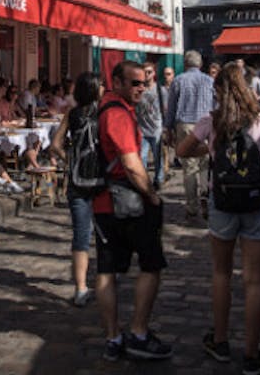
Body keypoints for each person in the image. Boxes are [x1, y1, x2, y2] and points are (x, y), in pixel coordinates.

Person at [176, 62, 260, 375]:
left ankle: (219, 341)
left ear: (219, 92)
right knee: (254, 280)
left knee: (221, 273)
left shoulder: (212, 121)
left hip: (223, 202)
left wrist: (212, 153)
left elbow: (182, 150)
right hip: (254, 203)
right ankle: (252, 353)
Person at [94, 60, 171, 361]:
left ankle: (113, 338)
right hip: (125, 202)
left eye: (144, 82)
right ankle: (137, 333)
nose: (142, 87)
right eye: (135, 83)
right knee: (151, 264)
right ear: (117, 82)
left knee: (107, 271)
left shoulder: (102, 107)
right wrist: (151, 195)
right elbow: (130, 162)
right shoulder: (117, 114)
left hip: (102, 201)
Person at [51, 71, 104, 307]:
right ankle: (106, 281)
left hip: (77, 182)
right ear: (94, 90)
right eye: (101, 85)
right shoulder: (103, 114)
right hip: (101, 182)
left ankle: (80, 288)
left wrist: (70, 161)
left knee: (81, 235)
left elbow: (54, 145)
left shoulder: (71, 115)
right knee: (105, 235)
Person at [165, 50, 215, 220]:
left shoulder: (178, 80)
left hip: (185, 124)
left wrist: (168, 129)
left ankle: (192, 206)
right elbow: (216, 104)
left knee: (189, 167)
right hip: (206, 123)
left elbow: (171, 107)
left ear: (185, 64)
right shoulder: (210, 81)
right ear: (200, 64)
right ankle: (205, 196)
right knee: (205, 164)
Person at [136, 61, 167, 190]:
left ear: (154, 73)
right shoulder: (139, 89)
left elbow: (165, 109)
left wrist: (166, 127)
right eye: (145, 72)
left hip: (156, 129)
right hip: (142, 129)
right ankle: (144, 180)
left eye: (149, 72)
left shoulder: (161, 89)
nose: (147, 75)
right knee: (142, 156)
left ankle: (158, 179)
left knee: (157, 157)